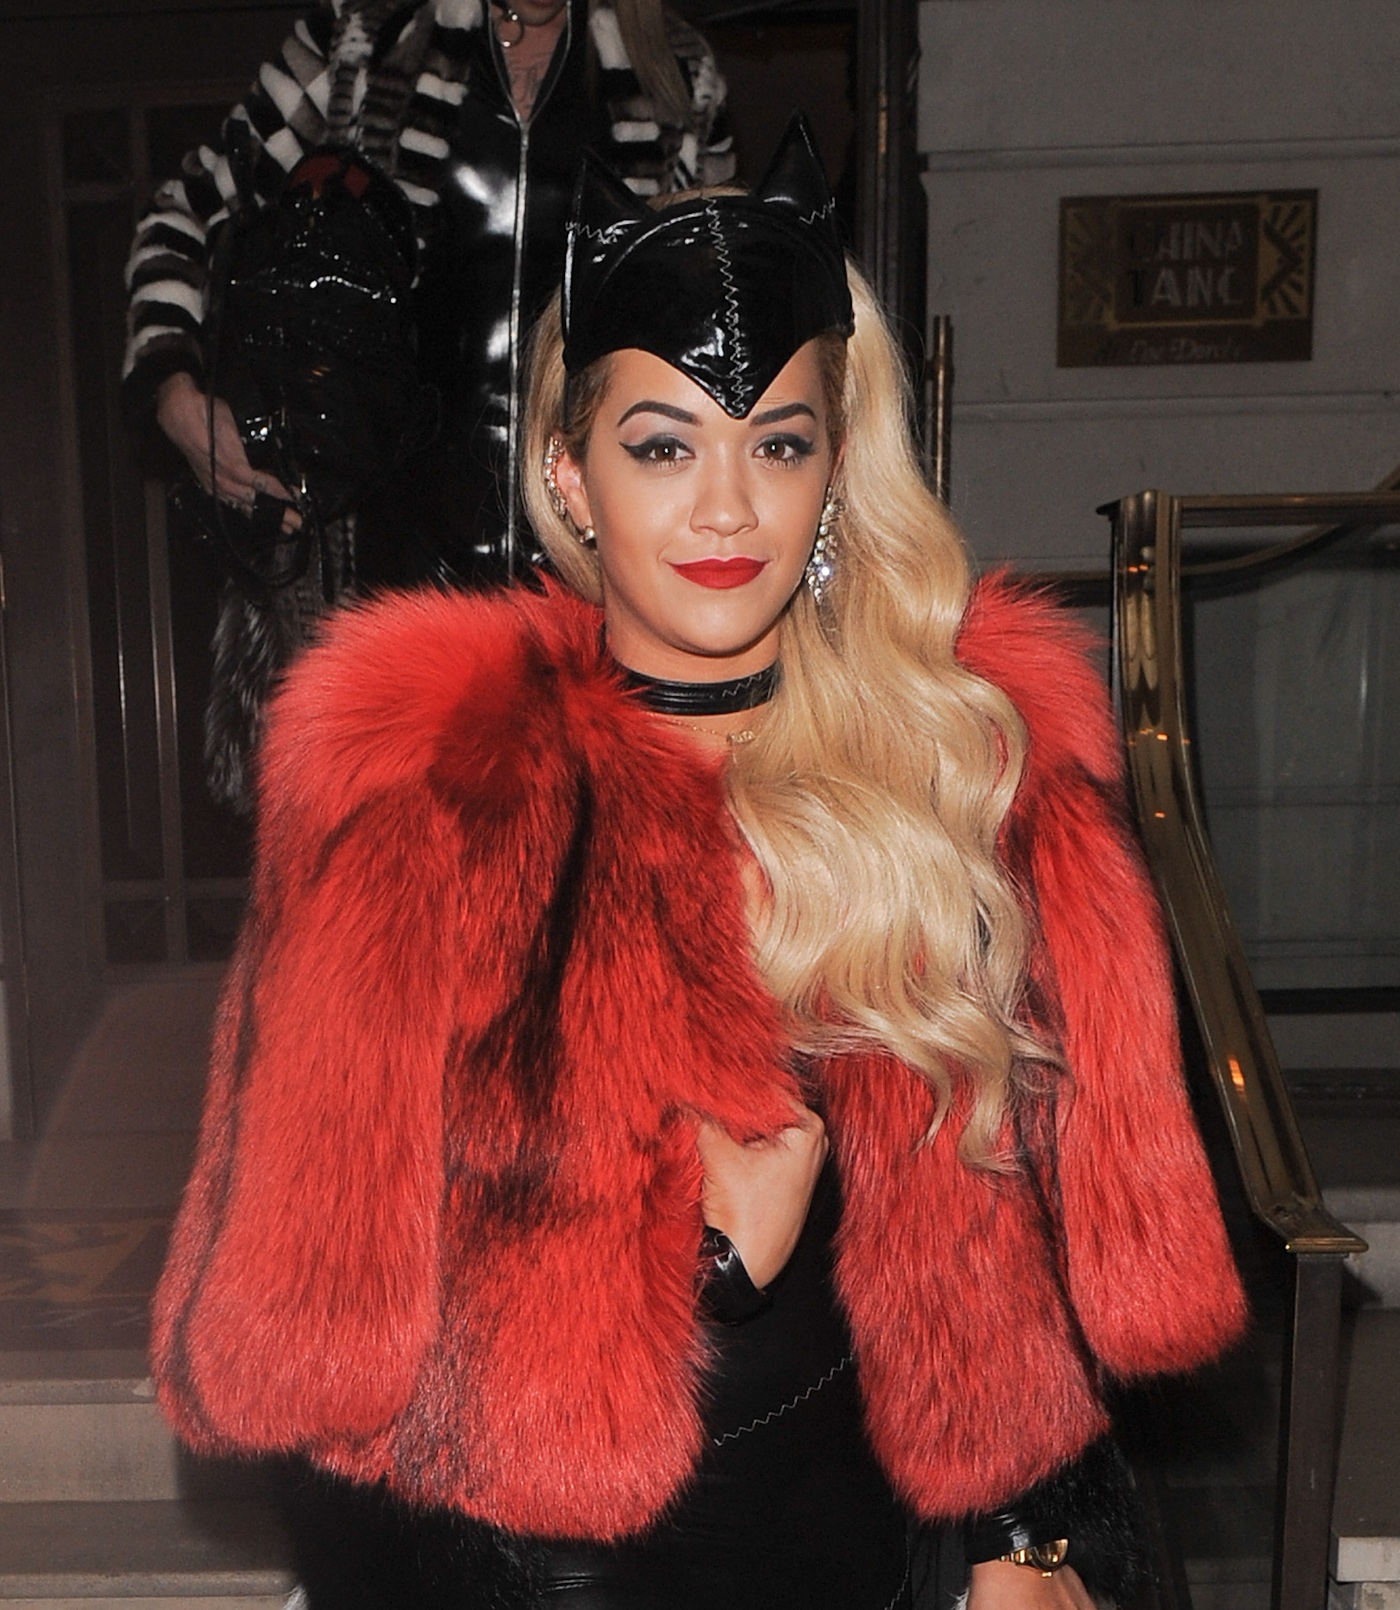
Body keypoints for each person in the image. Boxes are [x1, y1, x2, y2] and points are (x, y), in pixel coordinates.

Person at [150, 121, 1247, 1608]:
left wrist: (1026, 1531)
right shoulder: (429, 783)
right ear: (570, 474)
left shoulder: (963, 764)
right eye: (663, 444)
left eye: (777, 443)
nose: (725, 506)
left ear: (835, 475)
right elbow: (306, 1328)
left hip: (883, 1550)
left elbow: (1029, 1228)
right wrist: (700, 1257)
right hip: (540, 1571)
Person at [123, 0, 734, 808]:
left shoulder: (673, 74)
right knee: (390, 865)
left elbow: (718, 317)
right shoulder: (366, 39)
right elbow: (184, 210)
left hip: (593, 580)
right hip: (388, 567)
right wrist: (173, 388)